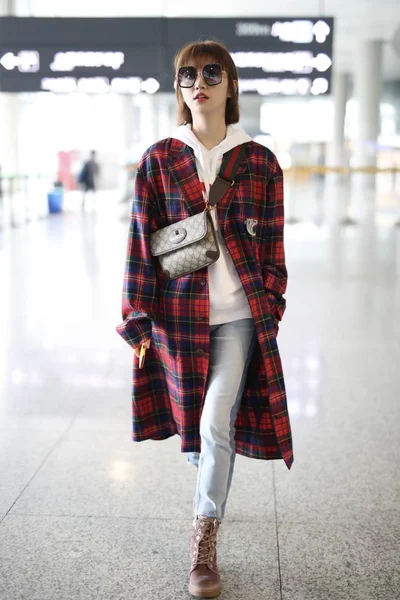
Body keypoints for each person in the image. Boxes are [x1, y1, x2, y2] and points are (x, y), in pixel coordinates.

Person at [116, 40, 293, 599]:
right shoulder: (160, 158)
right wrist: (136, 318)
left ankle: (204, 541)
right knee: (201, 431)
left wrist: (272, 304)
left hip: (240, 316)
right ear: (178, 88)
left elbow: (276, 253)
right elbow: (141, 242)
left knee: (217, 421)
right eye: (188, 73)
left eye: (212, 72)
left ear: (230, 85)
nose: (200, 81)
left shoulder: (260, 162)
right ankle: (209, 477)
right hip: (179, 321)